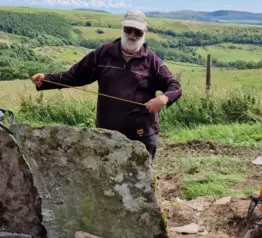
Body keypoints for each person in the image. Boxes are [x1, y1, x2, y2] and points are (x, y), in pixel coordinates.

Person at [30, 10, 182, 163]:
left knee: (143, 181)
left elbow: (175, 86)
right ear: (122, 28)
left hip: (142, 134)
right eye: (128, 29)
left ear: (145, 32)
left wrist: (163, 99)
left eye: (137, 31)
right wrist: (46, 79)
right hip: (106, 133)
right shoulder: (103, 53)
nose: (132, 35)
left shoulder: (152, 61)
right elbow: (75, 76)